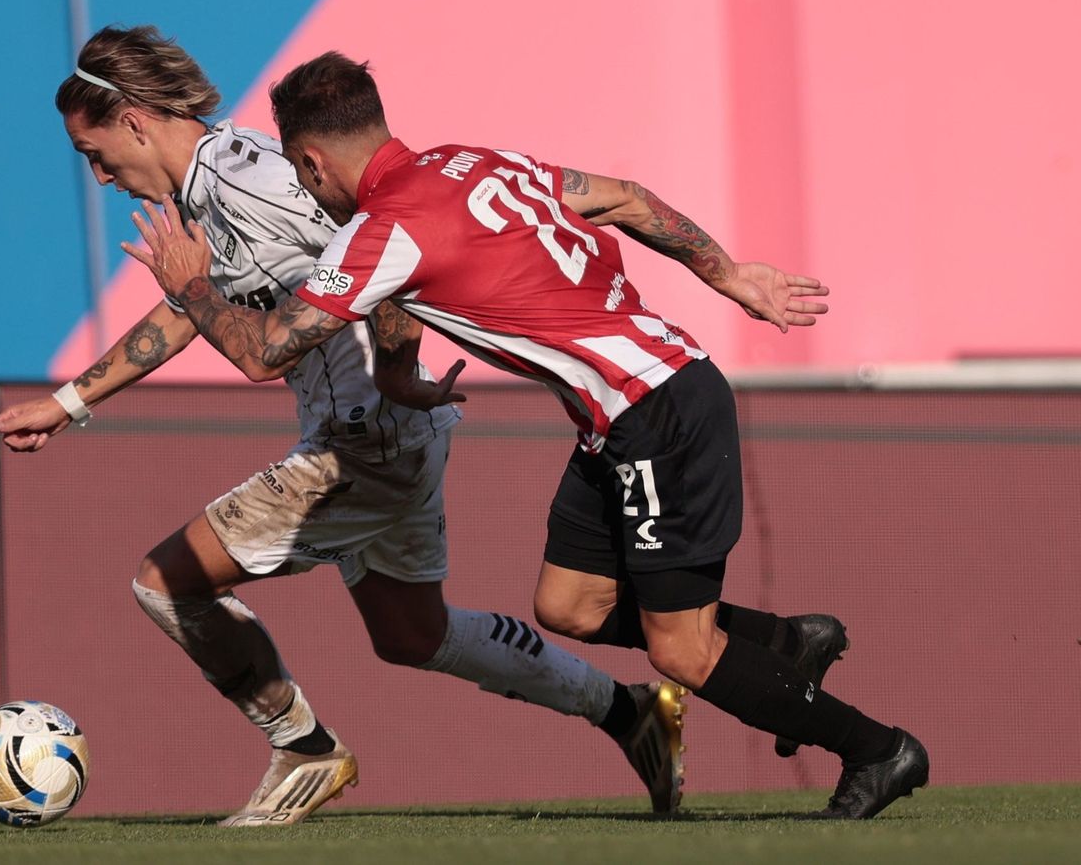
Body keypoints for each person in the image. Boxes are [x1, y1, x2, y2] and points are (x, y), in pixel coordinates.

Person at [126, 50, 929, 820]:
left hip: (658, 411)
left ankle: (877, 748)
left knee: (679, 652)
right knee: (569, 606)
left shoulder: (380, 232)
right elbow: (627, 198)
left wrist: (193, 287)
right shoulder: (476, 164)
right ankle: (787, 642)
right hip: (620, 414)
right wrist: (730, 275)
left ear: (310, 164)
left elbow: (267, 352)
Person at [0, 25, 691, 826]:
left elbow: (387, 249)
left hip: (365, 441)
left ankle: (304, 750)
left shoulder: (250, 179)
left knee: (167, 581)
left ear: (137, 119)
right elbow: (194, 304)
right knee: (412, 633)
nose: (102, 175)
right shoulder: (214, 186)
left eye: (96, 152)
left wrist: (393, 373)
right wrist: (69, 401)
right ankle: (631, 714)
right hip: (388, 433)